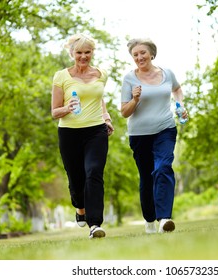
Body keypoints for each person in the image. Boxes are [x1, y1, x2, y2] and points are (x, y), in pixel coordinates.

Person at [120, 38, 188, 234]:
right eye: (135, 55)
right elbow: (124, 112)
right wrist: (135, 99)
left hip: (165, 128)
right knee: (146, 178)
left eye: (142, 53)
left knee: (163, 167)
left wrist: (180, 105)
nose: (139, 57)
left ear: (151, 54)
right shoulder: (129, 79)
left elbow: (177, 89)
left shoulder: (167, 74)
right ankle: (149, 219)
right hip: (139, 134)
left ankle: (164, 218)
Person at [51, 33, 114, 239]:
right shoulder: (61, 76)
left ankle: (94, 224)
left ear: (93, 52)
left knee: (94, 172)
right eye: (79, 52)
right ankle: (80, 208)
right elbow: (54, 112)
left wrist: (106, 118)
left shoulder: (101, 74)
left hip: (96, 131)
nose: (83, 56)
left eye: (87, 52)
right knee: (76, 179)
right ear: (71, 53)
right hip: (69, 133)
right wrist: (67, 108)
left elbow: (98, 99)